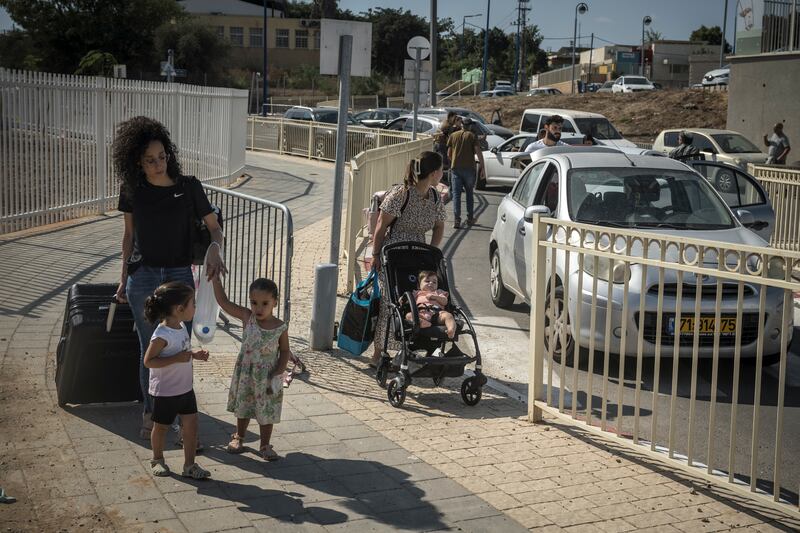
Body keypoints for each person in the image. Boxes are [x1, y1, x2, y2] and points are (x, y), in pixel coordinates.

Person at [112, 116, 225, 440]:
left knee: (178, 346)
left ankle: (174, 412)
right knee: (151, 348)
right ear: (138, 161)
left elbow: (214, 227)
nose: (158, 164)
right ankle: (153, 414)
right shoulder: (132, 189)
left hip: (178, 276)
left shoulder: (189, 186)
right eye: (150, 160)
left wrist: (215, 250)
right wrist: (123, 278)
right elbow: (129, 236)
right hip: (143, 277)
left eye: (162, 156)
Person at [370, 151, 447, 366]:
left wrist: (431, 251)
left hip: (418, 255)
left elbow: (440, 226)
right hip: (393, 253)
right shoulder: (401, 194)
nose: (443, 174)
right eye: (441, 170)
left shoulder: (433, 197)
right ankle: (378, 354)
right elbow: (381, 226)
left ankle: (403, 349)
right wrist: (375, 255)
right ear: (433, 173)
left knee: (414, 299)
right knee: (390, 302)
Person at [212, 277, 290, 461]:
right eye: (254, 303)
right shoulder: (248, 317)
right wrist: (215, 280)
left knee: (267, 410)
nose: (259, 308)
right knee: (244, 406)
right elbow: (223, 302)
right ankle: (239, 436)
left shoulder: (280, 327)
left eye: (265, 303)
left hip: (269, 376)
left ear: (275, 303)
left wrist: (279, 371)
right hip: (247, 373)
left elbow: (285, 351)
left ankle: (265, 444)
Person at [142, 282, 211, 479]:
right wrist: (177, 358)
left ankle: (189, 465)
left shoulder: (180, 326)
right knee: (161, 427)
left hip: (185, 389)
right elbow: (148, 361)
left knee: (191, 424)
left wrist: (193, 354)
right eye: (193, 304)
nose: (195, 308)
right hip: (165, 391)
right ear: (179, 309)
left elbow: (181, 352)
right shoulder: (161, 335)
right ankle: (157, 459)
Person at [447, 117, 486, 229]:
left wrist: (454, 160)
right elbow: (478, 152)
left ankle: (457, 220)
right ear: (470, 126)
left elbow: (449, 153)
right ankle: (470, 219)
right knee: (469, 194)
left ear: (462, 125)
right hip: (469, 169)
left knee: (456, 195)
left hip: (456, 169)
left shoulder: (453, 136)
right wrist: (482, 167)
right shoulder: (472, 136)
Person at [405, 270, 456, 338]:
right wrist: (403, 300)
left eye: (434, 282)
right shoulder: (416, 293)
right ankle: (422, 323)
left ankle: (451, 330)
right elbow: (407, 300)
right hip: (420, 314)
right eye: (427, 281)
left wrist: (435, 297)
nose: (431, 283)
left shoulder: (439, 292)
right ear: (418, 286)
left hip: (437, 314)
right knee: (408, 315)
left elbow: (445, 301)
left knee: (448, 316)